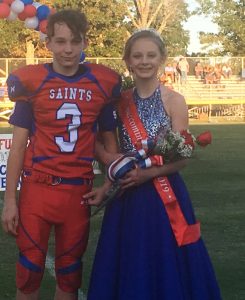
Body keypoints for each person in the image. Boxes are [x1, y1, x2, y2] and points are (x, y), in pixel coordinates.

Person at [85, 29, 222, 300]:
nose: (144, 61)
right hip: (126, 195)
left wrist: (149, 174)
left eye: (151, 55)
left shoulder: (175, 101)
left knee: (166, 259)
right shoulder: (118, 103)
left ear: (162, 58)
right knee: (130, 259)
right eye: (137, 56)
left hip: (164, 193)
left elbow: (182, 157)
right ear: (128, 61)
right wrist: (106, 186)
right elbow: (112, 151)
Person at [1, 9, 121, 300]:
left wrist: (108, 184)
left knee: (69, 273)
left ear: (85, 43)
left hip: (77, 192)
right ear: (49, 43)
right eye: (61, 41)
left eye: (75, 41)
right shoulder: (31, 82)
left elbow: (109, 142)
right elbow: (17, 146)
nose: (68, 48)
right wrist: (10, 201)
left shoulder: (102, 83)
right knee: (28, 270)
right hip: (37, 189)